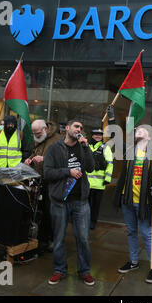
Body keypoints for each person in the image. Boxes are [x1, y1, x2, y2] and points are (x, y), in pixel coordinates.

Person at [44, 119, 96, 286]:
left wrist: (86, 147)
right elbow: (48, 173)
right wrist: (68, 171)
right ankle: (59, 270)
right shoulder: (54, 148)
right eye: (76, 126)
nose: (79, 129)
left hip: (80, 201)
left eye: (81, 127)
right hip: (60, 201)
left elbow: (91, 168)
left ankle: (85, 271)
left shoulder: (83, 147)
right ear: (67, 128)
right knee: (59, 238)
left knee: (83, 238)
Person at [113, 125, 152, 284]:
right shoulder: (130, 151)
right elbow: (117, 141)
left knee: (147, 234)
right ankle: (133, 262)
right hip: (127, 199)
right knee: (131, 231)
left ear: (149, 135)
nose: (138, 131)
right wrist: (112, 119)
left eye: (142, 129)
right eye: (137, 130)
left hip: (143, 202)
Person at [0, 115, 30, 225]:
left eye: (12, 124)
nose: (10, 126)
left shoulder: (20, 135)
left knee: (12, 196)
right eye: (8, 124)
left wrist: (20, 165)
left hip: (14, 172)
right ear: (4, 124)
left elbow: (26, 151)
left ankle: (9, 220)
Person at [25, 119, 62, 252]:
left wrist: (45, 159)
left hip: (53, 182)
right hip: (39, 180)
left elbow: (63, 159)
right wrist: (30, 158)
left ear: (45, 129)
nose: (36, 135)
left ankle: (52, 239)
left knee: (51, 213)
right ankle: (42, 239)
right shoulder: (38, 138)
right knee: (39, 212)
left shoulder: (58, 139)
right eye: (34, 133)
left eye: (38, 133)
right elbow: (35, 152)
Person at [87, 105, 116, 230]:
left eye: (100, 135)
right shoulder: (86, 146)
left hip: (99, 183)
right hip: (86, 183)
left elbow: (110, 163)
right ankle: (85, 221)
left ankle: (93, 222)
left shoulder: (105, 147)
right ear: (92, 135)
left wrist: (107, 179)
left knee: (96, 205)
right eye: (95, 134)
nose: (98, 136)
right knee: (85, 205)